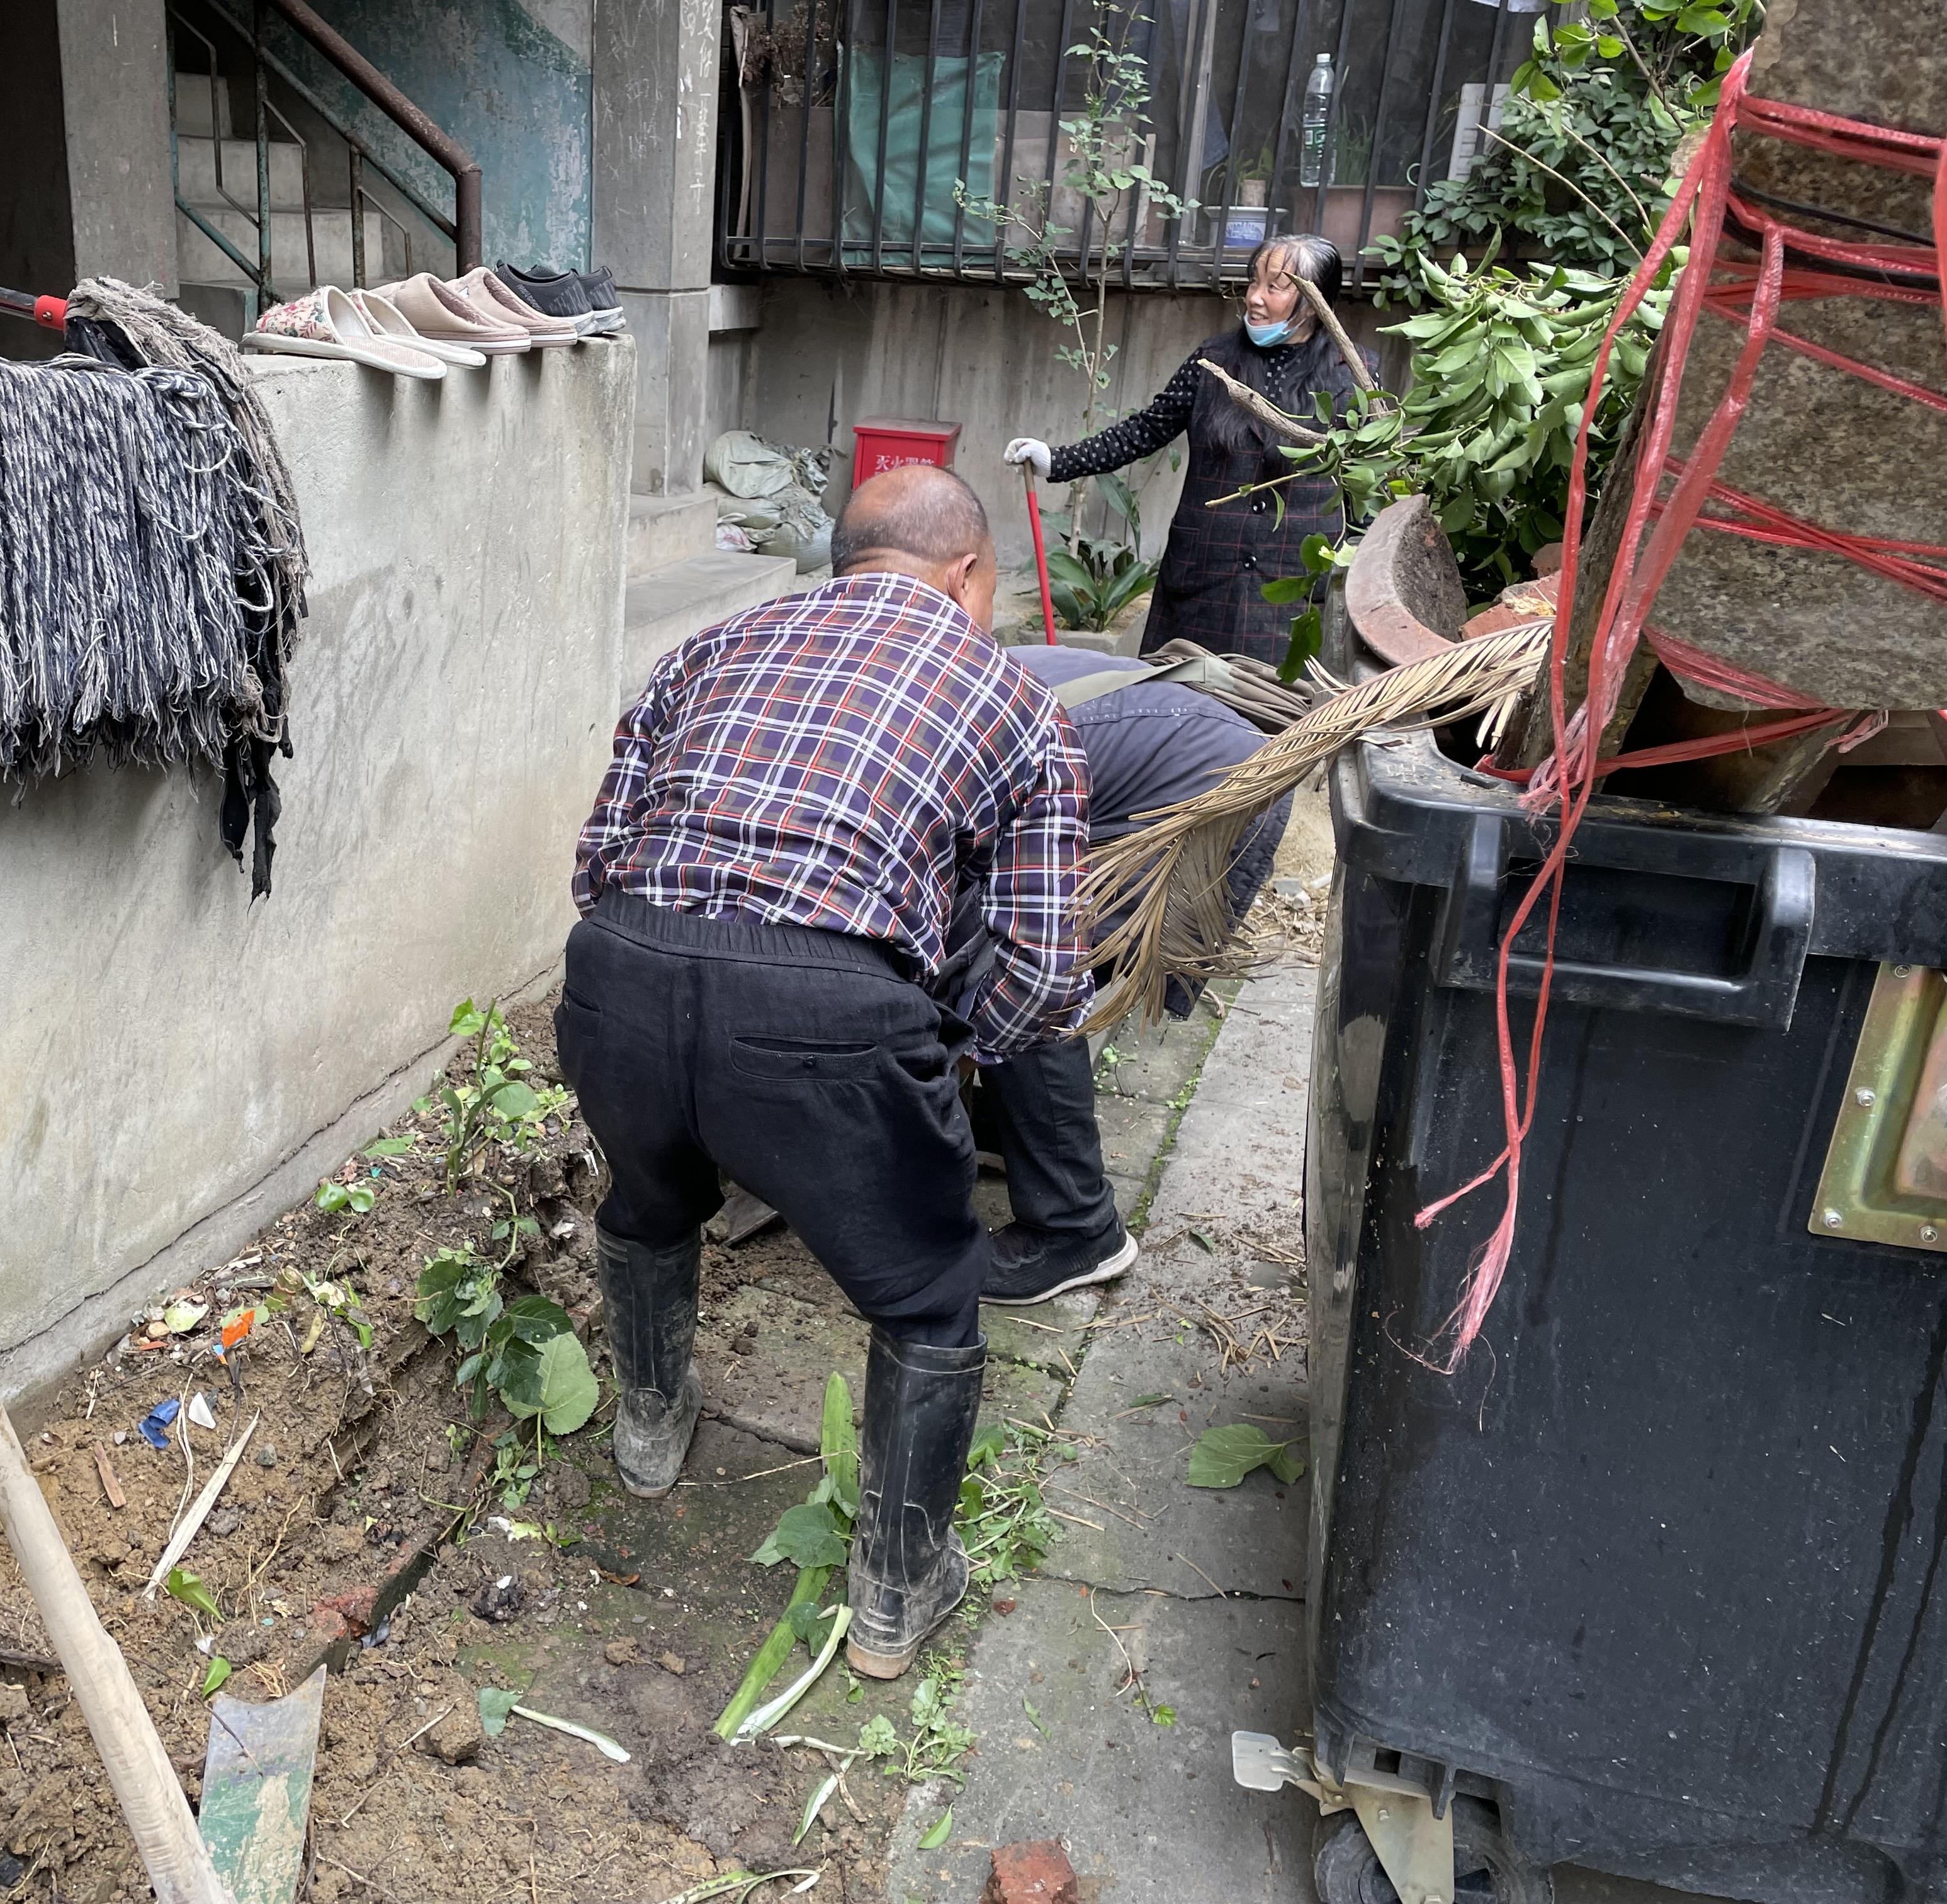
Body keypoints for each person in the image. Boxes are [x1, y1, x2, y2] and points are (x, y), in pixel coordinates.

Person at [559, 465, 1090, 1680]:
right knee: (925, 1291)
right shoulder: (1011, 701)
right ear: (968, 571)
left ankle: (648, 1433)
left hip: (619, 968)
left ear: (848, 556)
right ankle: (897, 1589)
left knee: (645, 1201)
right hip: (828, 1010)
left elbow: (601, 855)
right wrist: (932, 1050)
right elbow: (1043, 977)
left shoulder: (713, 642)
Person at [965, 648, 1293, 1305]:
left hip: (1201, 787)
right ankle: (1009, 1133)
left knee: (1024, 970)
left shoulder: (946, 750)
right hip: (1162, 754)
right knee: (1007, 956)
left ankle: (1076, 1231)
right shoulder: (894, 714)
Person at [1005, 234, 1355, 667]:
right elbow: (1146, 430)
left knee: (1275, 716)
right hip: (1203, 584)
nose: (1255, 298)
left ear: (1315, 300)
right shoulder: (1213, 360)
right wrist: (1057, 460)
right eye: (1253, 282)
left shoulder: (1352, 377)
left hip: (1290, 593)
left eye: (1274, 287)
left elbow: (1364, 485)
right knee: (1179, 706)